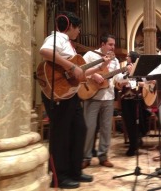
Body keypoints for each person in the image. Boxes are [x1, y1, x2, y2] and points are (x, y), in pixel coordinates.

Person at [39, 11, 94, 189]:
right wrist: (71, 66)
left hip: (70, 93)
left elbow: (75, 71)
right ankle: (60, 176)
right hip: (58, 92)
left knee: (80, 129)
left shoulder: (68, 43)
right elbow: (44, 51)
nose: (79, 32)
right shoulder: (59, 37)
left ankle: (74, 171)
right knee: (61, 134)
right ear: (70, 26)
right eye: (78, 28)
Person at [81, 33, 131, 168]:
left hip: (108, 97)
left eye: (114, 45)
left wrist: (128, 74)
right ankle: (86, 157)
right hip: (92, 95)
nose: (113, 47)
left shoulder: (114, 60)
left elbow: (117, 78)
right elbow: (81, 72)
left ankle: (103, 156)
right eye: (110, 44)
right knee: (89, 128)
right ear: (102, 44)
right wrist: (94, 74)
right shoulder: (90, 55)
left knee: (106, 128)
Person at [117, 51, 151, 156]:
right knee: (128, 123)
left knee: (137, 122)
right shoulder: (124, 69)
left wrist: (133, 79)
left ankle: (136, 143)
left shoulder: (141, 68)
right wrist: (122, 82)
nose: (126, 57)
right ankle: (133, 143)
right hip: (125, 99)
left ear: (133, 58)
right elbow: (118, 82)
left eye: (128, 56)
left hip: (137, 99)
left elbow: (146, 83)